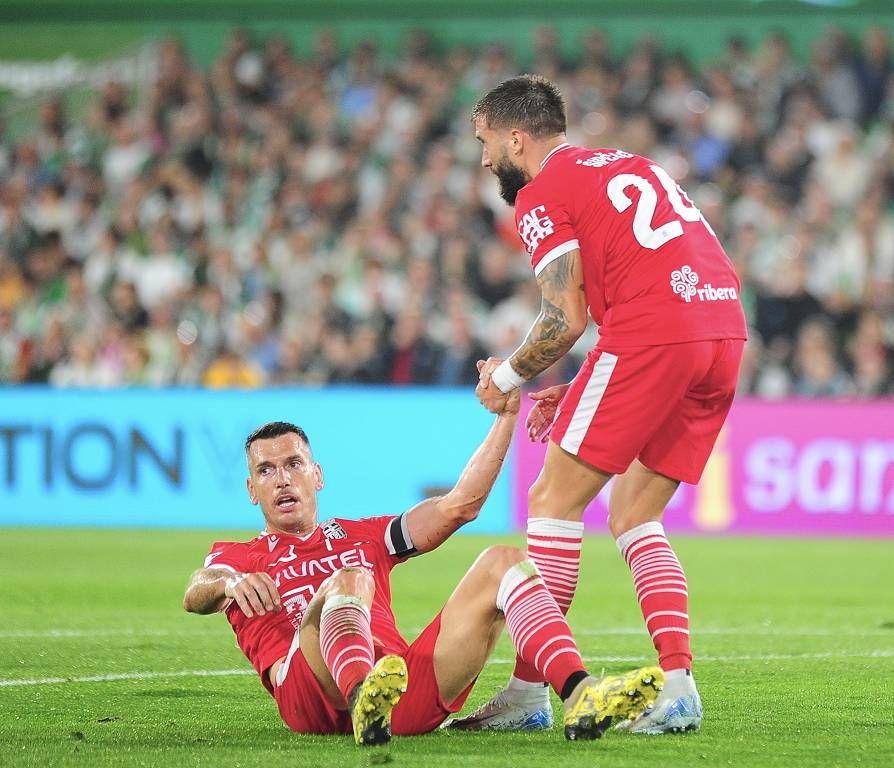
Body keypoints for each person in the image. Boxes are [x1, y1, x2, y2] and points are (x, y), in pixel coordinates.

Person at [449, 74, 747, 735]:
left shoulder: (539, 193)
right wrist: (581, 385)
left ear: (515, 137)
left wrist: (507, 376)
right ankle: (678, 689)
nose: (483, 158)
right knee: (636, 514)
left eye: (485, 142)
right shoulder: (627, 164)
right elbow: (638, 282)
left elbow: (564, 318)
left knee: (554, 503)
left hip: (652, 333)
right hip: (721, 329)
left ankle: (533, 691)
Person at [182, 389, 663, 747]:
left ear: (318, 475)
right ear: (251, 490)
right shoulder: (238, 557)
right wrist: (230, 580)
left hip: (399, 692)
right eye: (266, 471)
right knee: (348, 580)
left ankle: (579, 692)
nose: (282, 479)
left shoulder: (361, 535)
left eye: (293, 464)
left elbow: (459, 506)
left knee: (503, 560)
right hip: (309, 693)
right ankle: (361, 699)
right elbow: (195, 592)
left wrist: (507, 417)